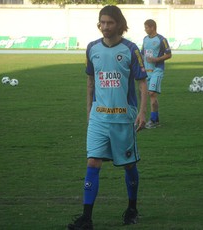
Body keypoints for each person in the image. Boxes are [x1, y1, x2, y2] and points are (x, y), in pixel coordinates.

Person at [67, 5, 148, 230]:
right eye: (102, 22)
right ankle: (86, 219)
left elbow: (142, 82)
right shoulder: (92, 48)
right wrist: (89, 112)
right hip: (99, 118)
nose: (105, 27)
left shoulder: (131, 49)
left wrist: (142, 112)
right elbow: (90, 82)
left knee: (129, 165)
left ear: (119, 24)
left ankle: (132, 208)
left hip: (124, 118)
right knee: (92, 162)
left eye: (109, 22)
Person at [141, 19, 172, 129]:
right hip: (146, 72)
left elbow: (169, 54)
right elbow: (142, 54)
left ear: (152, 27)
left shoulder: (161, 39)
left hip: (157, 70)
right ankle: (155, 119)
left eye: (146, 27)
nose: (145, 29)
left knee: (152, 93)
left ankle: (153, 120)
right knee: (147, 95)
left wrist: (157, 59)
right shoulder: (145, 39)